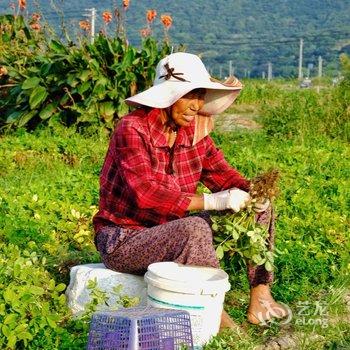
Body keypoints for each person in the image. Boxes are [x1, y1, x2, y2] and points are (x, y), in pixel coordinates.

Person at [93, 52, 288, 328]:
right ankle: (215, 315)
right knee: (194, 227)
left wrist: (251, 192)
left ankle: (261, 295)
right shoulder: (132, 128)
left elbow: (222, 174)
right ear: (168, 95)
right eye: (189, 95)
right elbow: (146, 193)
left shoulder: (193, 133)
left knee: (260, 209)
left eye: (200, 96)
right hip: (124, 239)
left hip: (172, 229)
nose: (196, 105)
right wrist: (212, 202)